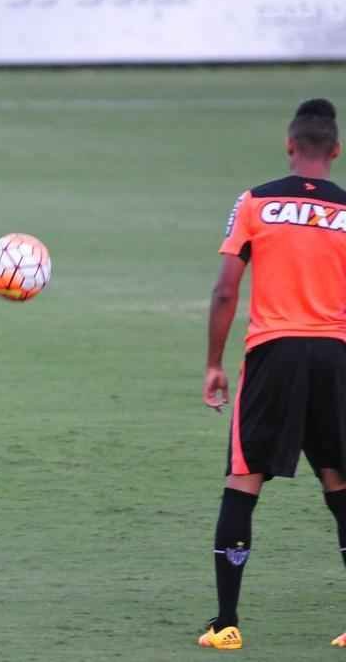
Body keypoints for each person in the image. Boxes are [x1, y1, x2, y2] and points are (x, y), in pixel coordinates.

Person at [199, 98, 346, 649]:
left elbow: (225, 289)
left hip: (274, 354)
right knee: (340, 482)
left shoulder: (256, 201)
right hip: (336, 356)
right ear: (335, 151)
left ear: (290, 146)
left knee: (244, 481)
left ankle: (226, 624)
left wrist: (214, 364)